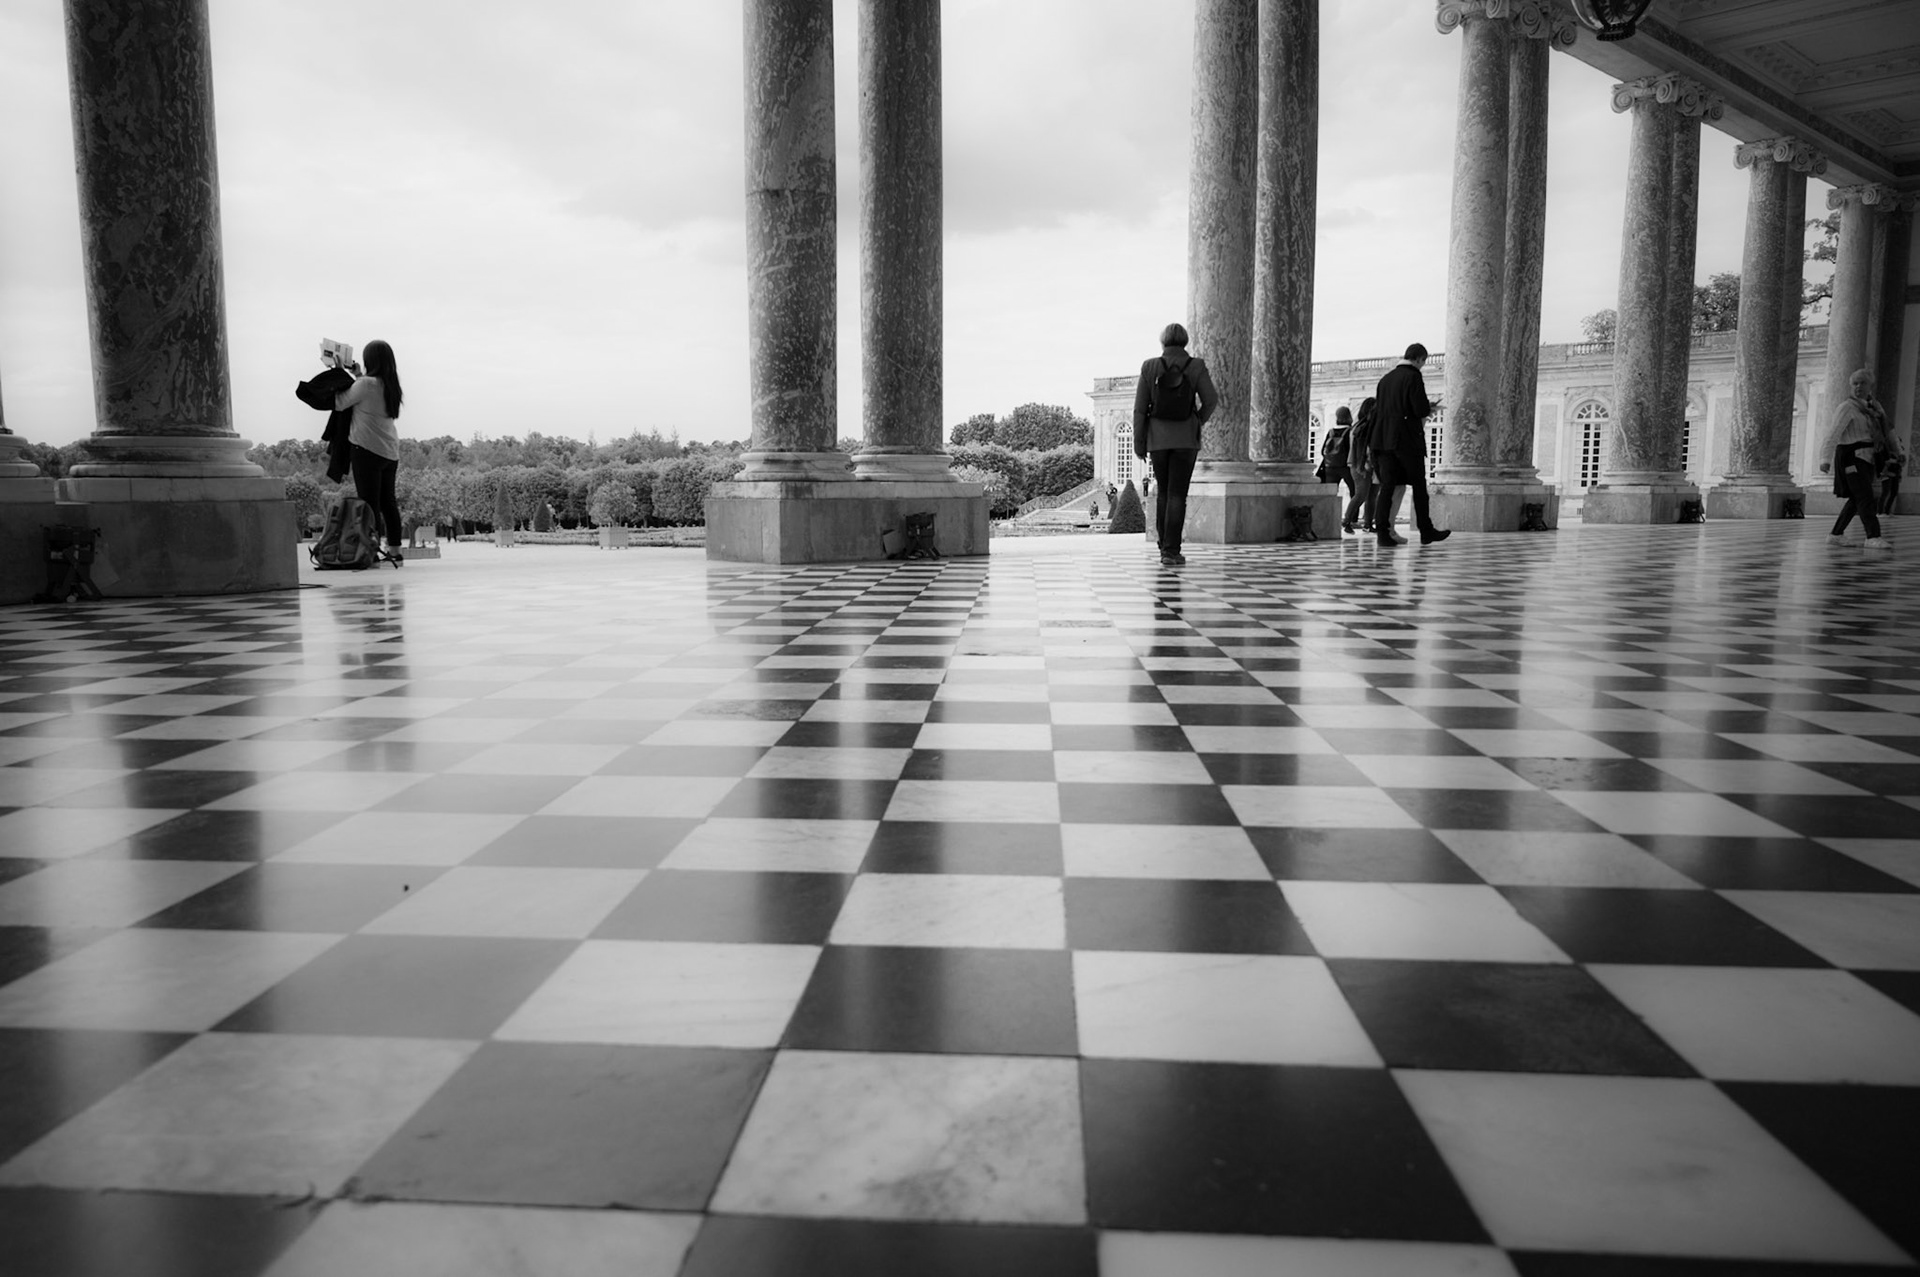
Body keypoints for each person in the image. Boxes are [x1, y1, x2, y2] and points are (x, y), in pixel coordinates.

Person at [1133, 321, 1218, 565]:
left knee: (1163, 492)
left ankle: (1164, 546)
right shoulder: (1196, 365)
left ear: (1163, 342)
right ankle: (1171, 550)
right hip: (1185, 439)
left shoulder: (1150, 366)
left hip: (1158, 440)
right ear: (1185, 341)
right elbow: (1211, 400)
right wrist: (1196, 420)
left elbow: (1140, 409)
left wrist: (1139, 442)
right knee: (1178, 495)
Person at [1370, 343, 1449, 547]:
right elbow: (1419, 409)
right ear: (1419, 359)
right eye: (1423, 362)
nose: (1422, 366)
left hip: (1383, 440)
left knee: (1387, 488)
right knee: (1419, 486)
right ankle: (1426, 530)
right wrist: (1429, 408)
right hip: (1406, 440)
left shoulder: (1385, 379)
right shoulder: (1413, 376)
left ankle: (1383, 533)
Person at [337, 338, 407, 562]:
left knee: (369, 504)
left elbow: (340, 402)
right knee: (388, 503)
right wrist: (357, 375)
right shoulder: (391, 386)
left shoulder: (366, 385)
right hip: (390, 451)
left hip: (366, 449)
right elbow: (367, 394)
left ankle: (371, 551)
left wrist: (337, 372)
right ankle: (395, 552)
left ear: (369, 360)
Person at [1819, 367, 1901, 549]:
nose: (1858, 387)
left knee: (1857, 498)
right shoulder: (1847, 407)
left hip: (1868, 458)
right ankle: (1873, 536)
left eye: (1862, 383)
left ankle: (1836, 534)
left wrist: (1898, 451)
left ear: (1870, 386)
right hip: (1850, 458)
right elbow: (1833, 433)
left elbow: (1888, 430)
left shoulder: (1875, 408)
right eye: (1855, 383)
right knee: (1865, 496)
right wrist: (1824, 458)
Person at [1342, 400, 1374, 535]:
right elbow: (1363, 448)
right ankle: (1347, 520)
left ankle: (1368, 524)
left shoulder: (1358, 425)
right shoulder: (1364, 427)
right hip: (1361, 464)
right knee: (1361, 494)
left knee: (1372, 495)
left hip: (1362, 464)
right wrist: (1364, 463)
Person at [1879, 451, 1902, 516]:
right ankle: (1880, 511)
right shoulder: (1888, 453)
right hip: (1886, 475)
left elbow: (1899, 466)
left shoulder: (1898, 456)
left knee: (1894, 493)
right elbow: (1883, 466)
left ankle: (1887, 511)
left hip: (1895, 475)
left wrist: (1899, 476)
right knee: (1885, 493)